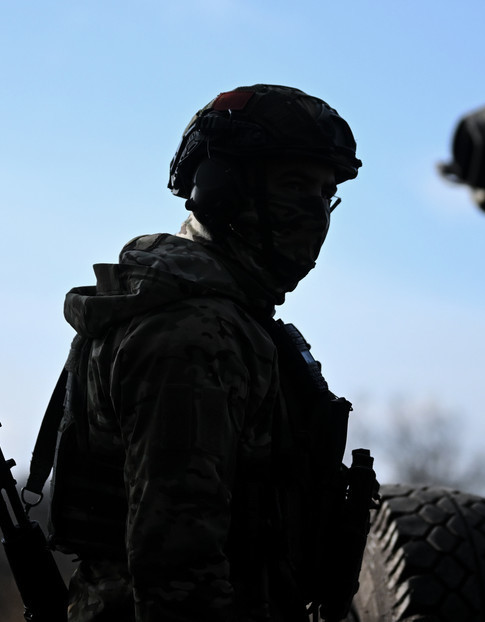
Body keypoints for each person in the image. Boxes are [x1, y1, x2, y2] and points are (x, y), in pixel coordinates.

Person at [38, 84, 368, 622]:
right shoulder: (193, 335)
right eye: (292, 184)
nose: (313, 212)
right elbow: (178, 573)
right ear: (222, 190)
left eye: (323, 192)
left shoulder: (225, 320)